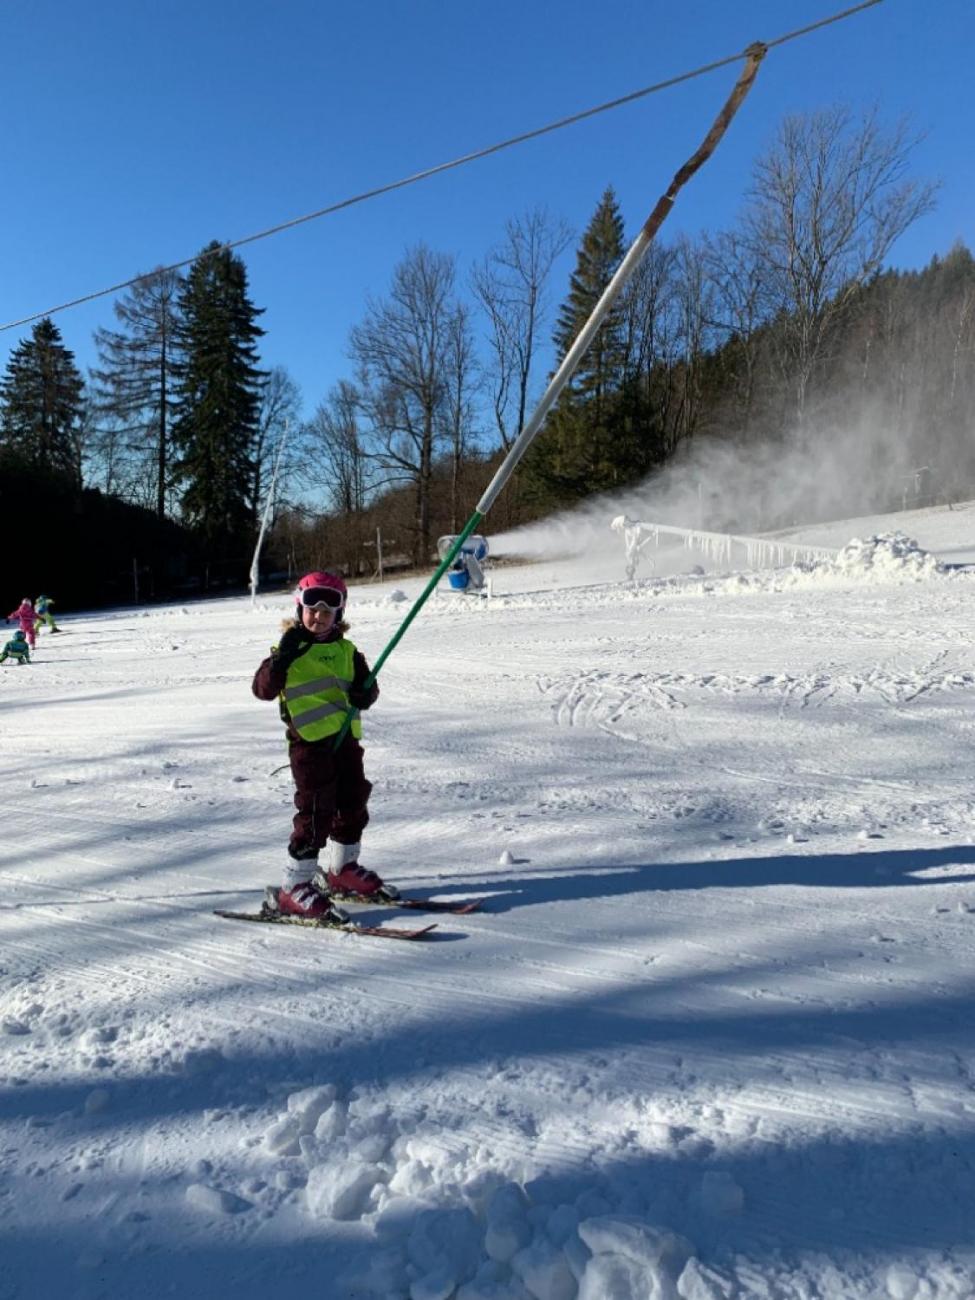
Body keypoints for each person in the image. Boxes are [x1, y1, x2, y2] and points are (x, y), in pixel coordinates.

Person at [252, 570, 398, 920]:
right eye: (311, 609)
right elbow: (263, 689)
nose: (318, 616)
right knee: (316, 812)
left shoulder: (348, 651)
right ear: (299, 609)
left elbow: (367, 689)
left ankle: (341, 870)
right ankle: (293, 887)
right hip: (309, 746)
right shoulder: (287, 651)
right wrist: (280, 661)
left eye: (327, 611)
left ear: (340, 614)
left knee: (352, 802)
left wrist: (366, 692)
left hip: (345, 740)